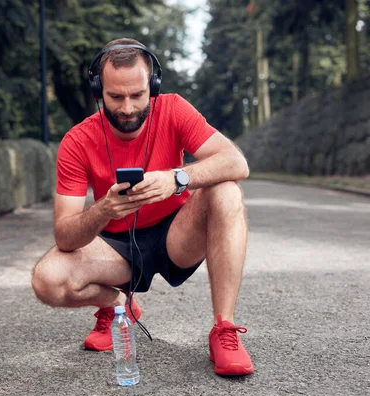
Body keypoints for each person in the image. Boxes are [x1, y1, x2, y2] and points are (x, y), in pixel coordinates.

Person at [31, 38, 254, 376]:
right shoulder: (76, 141)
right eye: (115, 97)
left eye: (137, 95)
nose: (128, 108)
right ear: (98, 90)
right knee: (46, 280)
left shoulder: (174, 108)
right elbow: (65, 235)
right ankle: (118, 305)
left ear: (153, 86)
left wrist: (176, 178)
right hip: (118, 250)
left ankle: (224, 329)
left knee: (227, 191)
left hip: (177, 235)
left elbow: (236, 162)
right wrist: (104, 209)